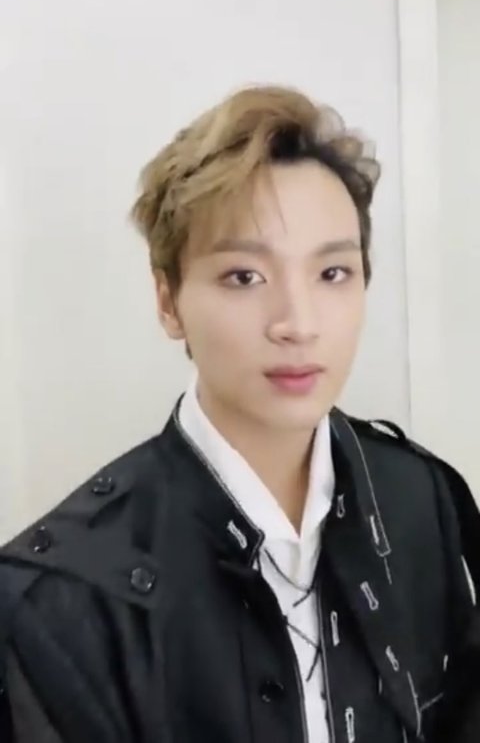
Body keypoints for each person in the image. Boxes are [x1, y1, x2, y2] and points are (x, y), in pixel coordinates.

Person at [0, 85, 476, 743]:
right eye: (244, 277)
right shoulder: (57, 599)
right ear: (168, 301)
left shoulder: (419, 498)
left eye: (332, 273)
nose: (298, 324)